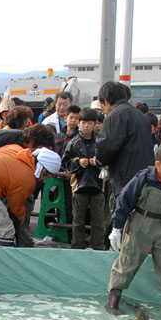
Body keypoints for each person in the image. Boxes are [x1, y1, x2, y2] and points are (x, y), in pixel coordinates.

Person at [105, 141, 161, 320]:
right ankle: (113, 300)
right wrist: (117, 227)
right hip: (141, 225)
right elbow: (124, 201)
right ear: (159, 165)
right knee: (128, 261)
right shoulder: (144, 178)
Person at [95, 81, 155, 206]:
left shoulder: (114, 116)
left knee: (123, 220)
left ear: (106, 101)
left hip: (126, 180)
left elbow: (106, 149)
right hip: (145, 178)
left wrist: (98, 160)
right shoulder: (141, 117)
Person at [62, 107, 104, 250]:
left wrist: (96, 162)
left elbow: (107, 162)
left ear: (95, 124)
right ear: (79, 123)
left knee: (98, 222)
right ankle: (76, 247)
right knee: (78, 221)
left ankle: (98, 247)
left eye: (90, 123)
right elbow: (65, 163)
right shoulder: (73, 142)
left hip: (98, 187)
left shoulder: (100, 142)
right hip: (79, 187)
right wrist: (78, 162)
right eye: (84, 122)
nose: (86, 126)